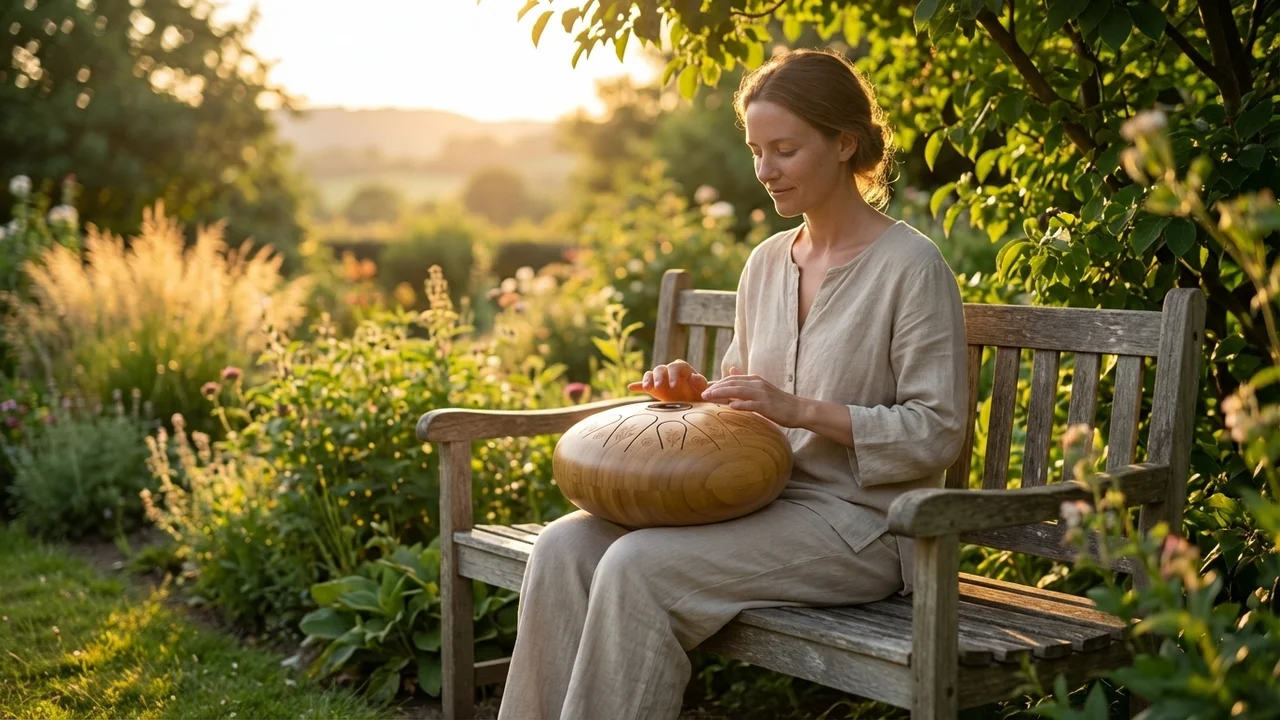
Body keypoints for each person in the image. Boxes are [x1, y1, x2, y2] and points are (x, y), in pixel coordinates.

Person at [496, 48, 969, 720]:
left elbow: (936, 431)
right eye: (755, 150)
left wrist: (800, 409)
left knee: (638, 568)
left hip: (862, 529)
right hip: (755, 505)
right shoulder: (766, 263)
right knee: (564, 546)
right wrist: (695, 399)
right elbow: (746, 403)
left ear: (844, 143)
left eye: (784, 149)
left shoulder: (911, 267)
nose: (764, 171)